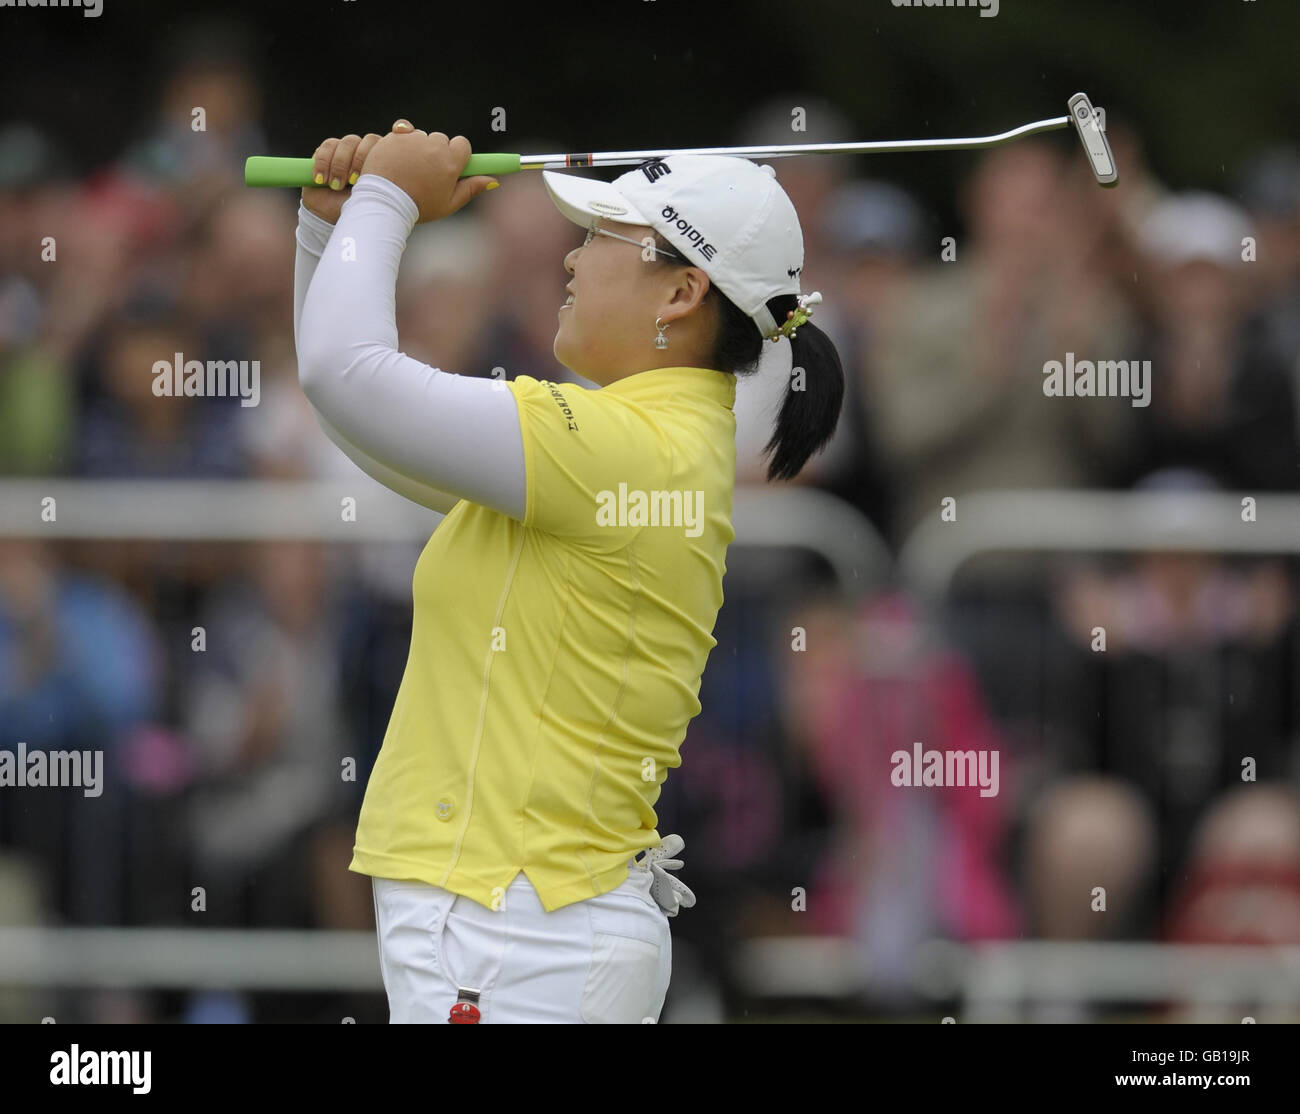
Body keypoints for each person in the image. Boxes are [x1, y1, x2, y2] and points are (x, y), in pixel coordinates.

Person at [292, 122, 845, 1022]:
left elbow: (342, 373)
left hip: (515, 936)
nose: (572, 263)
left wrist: (388, 203)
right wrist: (334, 233)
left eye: (602, 238)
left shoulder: (620, 447)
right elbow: (364, 423)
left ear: (681, 292)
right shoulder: (637, 442)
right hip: (522, 931)